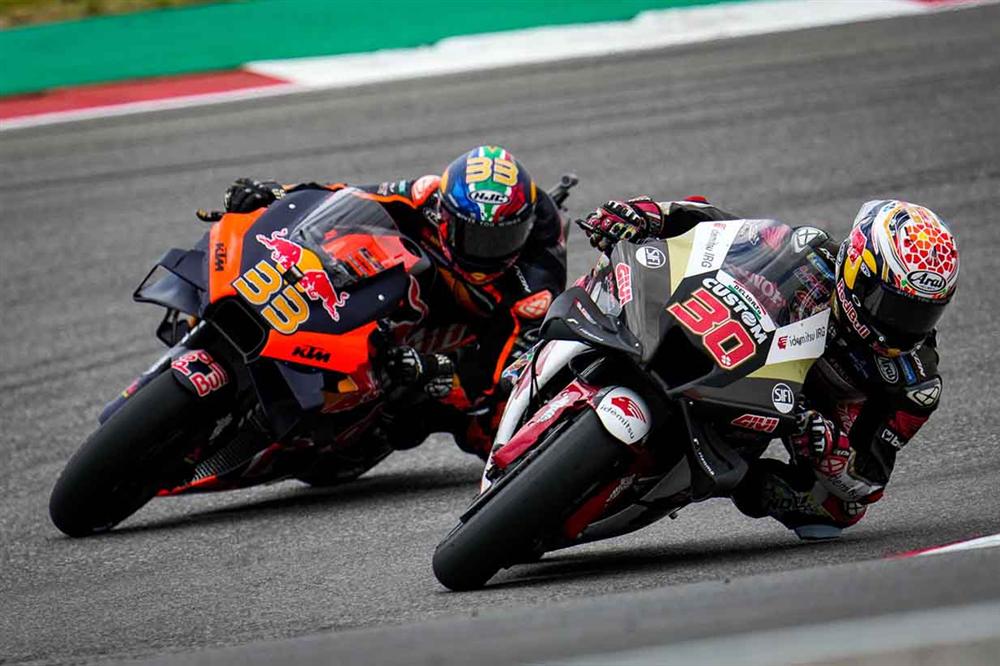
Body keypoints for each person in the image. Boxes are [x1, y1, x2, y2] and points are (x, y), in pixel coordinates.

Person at [581, 196, 959, 540]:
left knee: (837, 511)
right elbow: (720, 230)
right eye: (889, 304)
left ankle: (721, 478)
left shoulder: (915, 384)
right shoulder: (808, 252)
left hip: (799, 415)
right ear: (856, 270)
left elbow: (868, 483)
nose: (901, 325)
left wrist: (830, 451)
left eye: (920, 314)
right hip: (737, 349)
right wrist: (649, 216)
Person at [218, 146, 566, 459]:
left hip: (476, 331)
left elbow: (504, 368)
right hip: (419, 286)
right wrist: (277, 194)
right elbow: (349, 197)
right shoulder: (427, 194)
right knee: (352, 239)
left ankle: (391, 415)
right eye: (473, 235)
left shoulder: (536, 282)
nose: (484, 252)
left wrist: (433, 368)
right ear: (445, 213)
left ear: (524, 228)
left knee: (492, 430)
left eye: (500, 239)